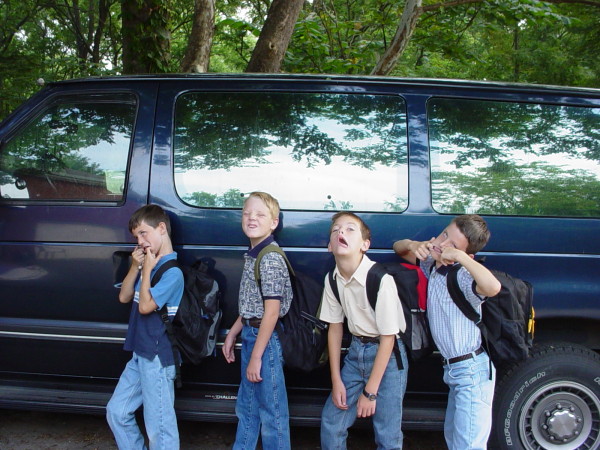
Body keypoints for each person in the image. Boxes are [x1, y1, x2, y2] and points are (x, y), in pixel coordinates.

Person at [393, 214, 501, 450]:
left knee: (468, 445)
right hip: (453, 371)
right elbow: (398, 248)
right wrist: (413, 244)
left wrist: (460, 258)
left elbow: (493, 287)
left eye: (452, 245)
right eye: (444, 235)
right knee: (454, 439)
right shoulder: (431, 265)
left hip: (471, 372)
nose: (442, 244)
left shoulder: (463, 276)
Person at [319, 211, 408, 450]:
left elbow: (388, 339)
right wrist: (336, 380)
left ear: (365, 245)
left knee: (387, 434)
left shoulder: (380, 279)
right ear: (330, 246)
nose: (341, 232)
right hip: (355, 352)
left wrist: (370, 393)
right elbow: (335, 328)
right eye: (336, 230)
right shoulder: (332, 278)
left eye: (350, 229)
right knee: (332, 422)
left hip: (388, 357)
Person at [106, 204, 184, 450]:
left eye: (143, 233)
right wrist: (135, 267)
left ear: (161, 228)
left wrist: (147, 269)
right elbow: (124, 297)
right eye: (136, 237)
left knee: (160, 427)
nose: (140, 242)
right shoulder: (149, 264)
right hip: (140, 354)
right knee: (117, 412)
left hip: (157, 358)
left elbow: (145, 307)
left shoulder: (172, 272)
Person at [222, 191, 293, 450]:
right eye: (247, 213)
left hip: (266, 342)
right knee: (247, 407)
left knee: (272, 412)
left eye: (260, 214)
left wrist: (256, 357)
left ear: (274, 223)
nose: (252, 218)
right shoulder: (254, 253)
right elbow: (252, 305)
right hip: (252, 335)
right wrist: (233, 333)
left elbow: (271, 312)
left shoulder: (270, 258)